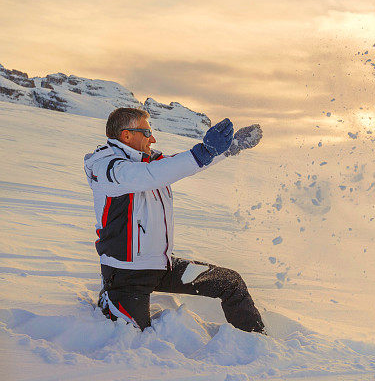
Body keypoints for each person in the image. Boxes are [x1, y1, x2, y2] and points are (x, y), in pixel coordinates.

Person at [84, 107, 266, 333]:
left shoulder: (151, 162)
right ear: (126, 135)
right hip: (125, 275)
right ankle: (109, 298)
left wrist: (229, 147)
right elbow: (150, 177)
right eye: (147, 132)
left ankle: (257, 340)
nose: (153, 138)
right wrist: (202, 152)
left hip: (161, 266)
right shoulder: (107, 167)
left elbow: (180, 166)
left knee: (230, 282)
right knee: (133, 337)